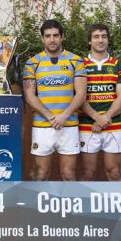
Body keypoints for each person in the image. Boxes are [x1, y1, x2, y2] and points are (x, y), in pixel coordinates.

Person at [23, 19, 87, 181]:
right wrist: (50, 117)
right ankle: (39, 200)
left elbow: (81, 94)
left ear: (62, 36)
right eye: (48, 36)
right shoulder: (32, 63)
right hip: (43, 125)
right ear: (42, 38)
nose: (52, 39)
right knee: (41, 174)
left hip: (68, 125)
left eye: (56, 35)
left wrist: (64, 116)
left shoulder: (76, 60)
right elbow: (30, 95)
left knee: (68, 174)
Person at [79, 24, 121, 181]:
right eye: (96, 37)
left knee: (114, 172)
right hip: (87, 126)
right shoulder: (80, 65)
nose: (100, 40)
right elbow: (79, 97)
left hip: (113, 125)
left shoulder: (118, 65)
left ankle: (118, 199)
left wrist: (104, 118)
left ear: (108, 39)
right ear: (89, 41)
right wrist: (96, 117)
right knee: (88, 174)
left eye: (104, 36)